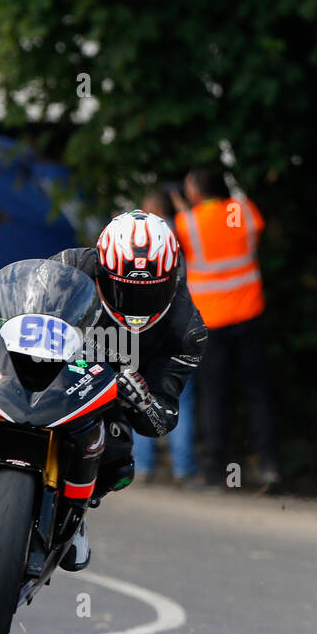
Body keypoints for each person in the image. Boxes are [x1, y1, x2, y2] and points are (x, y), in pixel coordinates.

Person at [0, 209, 207, 571]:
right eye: (125, 290)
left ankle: (77, 509)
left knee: (119, 459)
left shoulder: (187, 330)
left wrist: (143, 400)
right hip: (35, 367)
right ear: (103, 271)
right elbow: (0, 297)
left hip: (99, 397)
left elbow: (164, 417)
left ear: (173, 278)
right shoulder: (70, 265)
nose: (136, 307)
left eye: (149, 293)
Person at [174, 165, 278, 489]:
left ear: (196, 191)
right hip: (248, 313)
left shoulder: (187, 222)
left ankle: (215, 473)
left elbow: (188, 244)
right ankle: (267, 464)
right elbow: (248, 226)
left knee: (213, 397)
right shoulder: (242, 211)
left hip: (211, 321)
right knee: (257, 392)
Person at [133, 185, 198, 484]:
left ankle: (142, 466)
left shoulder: (141, 241)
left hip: (142, 326)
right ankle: (183, 469)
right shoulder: (184, 233)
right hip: (183, 323)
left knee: (137, 391)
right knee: (180, 396)